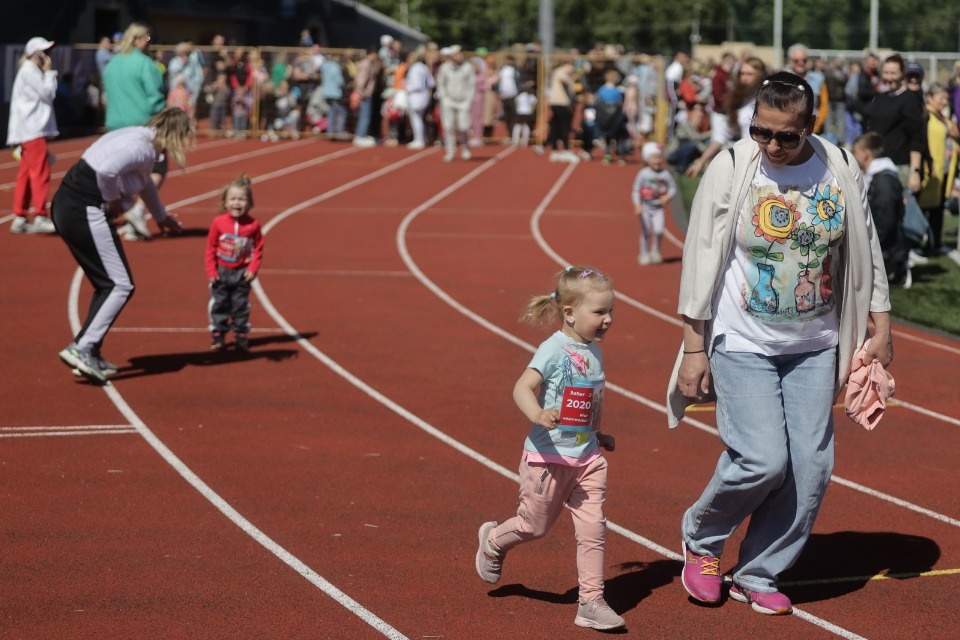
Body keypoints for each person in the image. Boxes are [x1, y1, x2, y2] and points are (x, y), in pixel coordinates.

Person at [668, 72, 893, 615]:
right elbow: (699, 259)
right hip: (742, 339)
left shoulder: (839, 165)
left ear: (810, 125)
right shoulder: (731, 166)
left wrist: (881, 324)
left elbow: (866, 244)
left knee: (811, 467)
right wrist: (694, 348)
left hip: (815, 343)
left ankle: (758, 570)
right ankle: (702, 540)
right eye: (761, 131)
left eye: (786, 136)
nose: (771, 145)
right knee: (763, 459)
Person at [474, 266, 624, 631]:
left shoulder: (594, 352)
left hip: (587, 459)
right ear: (569, 313)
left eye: (610, 311)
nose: (608, 319)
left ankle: (591, 601)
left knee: (593, 528)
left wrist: (597, 433)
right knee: (534, 527)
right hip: (547, 459)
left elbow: (586, 403)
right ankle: (493, 541)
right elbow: (522, 388)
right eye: (599, 312)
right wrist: (538, 413)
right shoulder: (553, 349)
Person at [51, 107, 191, 383]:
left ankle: (91, 350)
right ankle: (82, 348)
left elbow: (145, 184)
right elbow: (106, 170)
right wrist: (114, 200)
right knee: (120, 285)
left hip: (69, 204)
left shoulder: (139, 139)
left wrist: (161, 217)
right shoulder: (141, 148)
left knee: (107, 284)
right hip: (83, 208)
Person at [102, 23, 166, 242]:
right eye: (147, 39)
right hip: (141, 126)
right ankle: (136, 211)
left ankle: (127, 217)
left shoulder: (112, 64)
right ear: (137, 39)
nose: (149, 43)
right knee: (157, 168)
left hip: (115, 126)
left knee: (124, 172)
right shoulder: (146, 64)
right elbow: (155, 97)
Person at [205, 174, 264, 352]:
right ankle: (218, 333)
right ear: (225, 202)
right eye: (233, 199)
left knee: (241, 304)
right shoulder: (218, 223)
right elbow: (210, 248)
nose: (237, 203)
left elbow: (258, 248)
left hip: (242, 273)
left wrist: (253, 268)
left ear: (249, 202)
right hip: (221, 271)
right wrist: (211, 271)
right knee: (220, 303)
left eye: (241, 199)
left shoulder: (253, 225)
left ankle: (240, 333)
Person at [7, 36, 59, 235]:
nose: (48, 56)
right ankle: (40, 215)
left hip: (29, 130)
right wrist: (50, 72)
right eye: (45, 52)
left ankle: (20, 217)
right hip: (32, 130)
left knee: (27, 174)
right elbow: (48, 93)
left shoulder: (29, 71)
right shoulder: (30, 71)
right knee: (40, 173)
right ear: (35, 54)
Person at [685, 57, 768, 178]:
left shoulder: (768, 100)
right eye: (742, 74)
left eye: (750, 74)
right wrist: (701, 161)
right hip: (746, 159)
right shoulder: (740, 100)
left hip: (766, 160)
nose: (744, 78)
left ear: (760, 75)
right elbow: (722, 135)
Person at [853, 131, 911, 285]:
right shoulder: (874, 176)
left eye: (856, 152)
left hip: (887, 252)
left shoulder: (884, 181)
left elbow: (885, 222)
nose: (854, 157)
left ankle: (899, 270)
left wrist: (864, 247)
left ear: (865, 154)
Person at [863, 54, 926, 195]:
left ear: (902, 74)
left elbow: (916, 138)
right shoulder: (879, 98)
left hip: (899, 167)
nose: (889, 77)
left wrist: (915, 171)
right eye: (886, 73)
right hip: (876, 165)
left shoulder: (909, 99)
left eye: (893, 73)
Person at [918, 82, 959, 254]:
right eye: (941, 98)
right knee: (924, 207)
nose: (944, 101)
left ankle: (934, 243)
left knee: (938, 208)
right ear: (929, 97)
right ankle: (916, 244)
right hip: (931, 170)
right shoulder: (925, 115)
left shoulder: (941, 116)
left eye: (946, 99)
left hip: (944, 170)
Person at [632, 142, 677, 265]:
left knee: (659, 230)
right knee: (646, 231)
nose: (657, 161)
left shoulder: (665, 174)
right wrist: (637, 205)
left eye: (659, 157)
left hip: (658, 208)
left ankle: (655, 250)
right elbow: (636, 190)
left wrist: (668, 196)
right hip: (645, 207)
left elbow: (673, 188)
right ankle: (644, 253)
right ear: (647, 159)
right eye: (654, 157)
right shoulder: (643, 174)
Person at [436, 45, 476, 161]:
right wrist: (444, 98)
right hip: (449, 101)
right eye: (457, 54)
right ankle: (450, 151)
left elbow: (471, 85)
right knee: (448, 127)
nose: (460, 56)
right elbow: (441, 84)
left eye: (461, 53)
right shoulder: (444, 68)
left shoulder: (467, 68)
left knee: (464, 127)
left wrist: (468, 100)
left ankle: (465, 148)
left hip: (463, 102)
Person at [403, 47, 434, 149]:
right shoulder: (424, 67)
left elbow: (417, 85)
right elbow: (431, 83)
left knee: (416, 118)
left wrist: (406, 86)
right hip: (424, 95)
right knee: (419, 118)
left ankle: (419, 139)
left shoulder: (415, 68)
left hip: (416, 95)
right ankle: (422, 138)